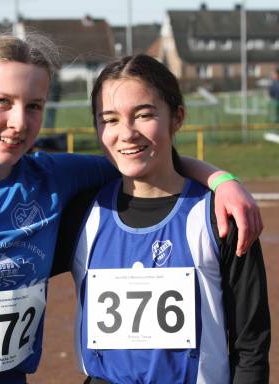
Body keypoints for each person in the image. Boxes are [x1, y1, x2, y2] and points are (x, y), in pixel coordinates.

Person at [0, 34, 262, 383]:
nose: (20, 121)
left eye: (34, 105)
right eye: (2, 102)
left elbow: (145, 158)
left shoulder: (56, 179)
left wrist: (220, 180)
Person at [52, 55, 270, 384]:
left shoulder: (220, 216)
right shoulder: (80, 215)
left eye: (144, 115)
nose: (126, 133)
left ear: (177, 117)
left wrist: (222, 182)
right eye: (109, 119)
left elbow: (250, 345)